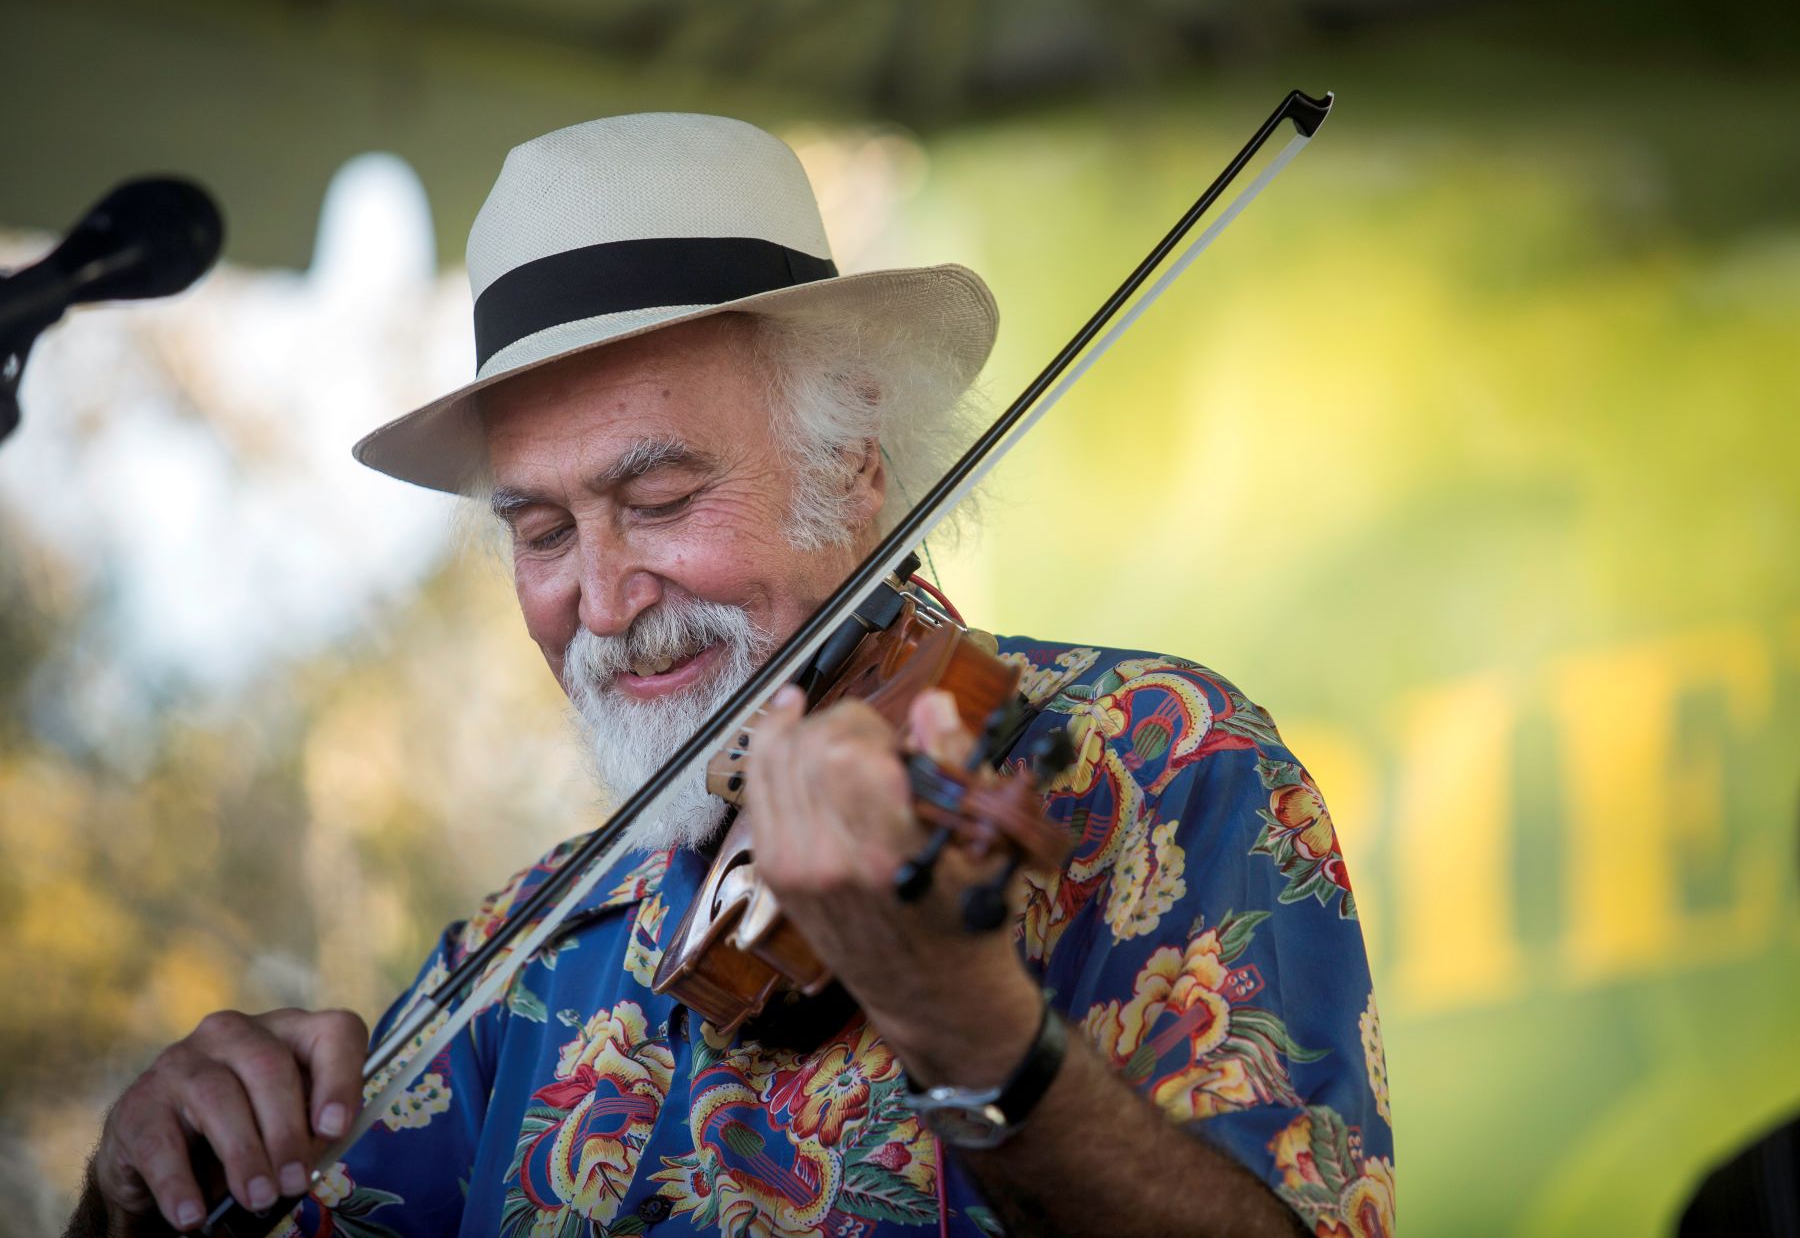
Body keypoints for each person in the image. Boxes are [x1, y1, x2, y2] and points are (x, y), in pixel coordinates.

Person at [68, 114, 1393, 1238]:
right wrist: (137, 1189)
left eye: (657, 498)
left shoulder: (1153, 759)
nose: (600, 598)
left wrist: (981, 1042)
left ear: (855, 463)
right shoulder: (516, 956)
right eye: (541, 532)